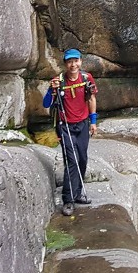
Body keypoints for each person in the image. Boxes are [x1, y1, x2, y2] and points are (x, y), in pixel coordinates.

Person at [43, 48, 98, 216]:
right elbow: (46, 104)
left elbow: (92, 98)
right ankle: (68, 200)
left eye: (76, 61)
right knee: (71, 161)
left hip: (83, 124)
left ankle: (78, 192)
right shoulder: (58, 81)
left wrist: (93, 121)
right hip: (65, 126)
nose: (73, 65)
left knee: (82, 159)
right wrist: (50, 90)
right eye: (69, 62)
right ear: (65, 64)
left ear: (80, 61)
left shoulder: (86, 78)